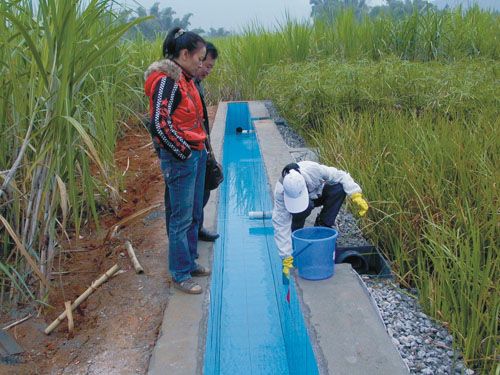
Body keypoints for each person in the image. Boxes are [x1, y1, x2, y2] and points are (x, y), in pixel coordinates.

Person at [144, 27, 210, 294]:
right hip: (182, 159)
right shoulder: (166, 81)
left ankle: (189, 261)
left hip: (193, 152)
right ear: (184, 54)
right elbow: (159, 124)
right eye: (199, 58)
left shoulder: (185, 78)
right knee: (180, 218)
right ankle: (180, 273)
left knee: (193, 212)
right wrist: (183, 152)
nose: (202, 63)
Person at [272, 161, 369, 276]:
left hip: (316, 196)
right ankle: (297, 232)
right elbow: (281, 224)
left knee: (338, 188)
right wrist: (286, 257)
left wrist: (355, 193)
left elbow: (341, 175)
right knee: (304, 210)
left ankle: (322, 226)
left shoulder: (313, 170)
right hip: (304, 205)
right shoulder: (280, 192)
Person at [194, 42, 220, 242]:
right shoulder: (181, 84)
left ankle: (198, 228)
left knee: (204, 191)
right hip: (189, 151)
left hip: (201, 145)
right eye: (207, 65)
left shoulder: (196, 84)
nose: (208, 71)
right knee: (188, 202)